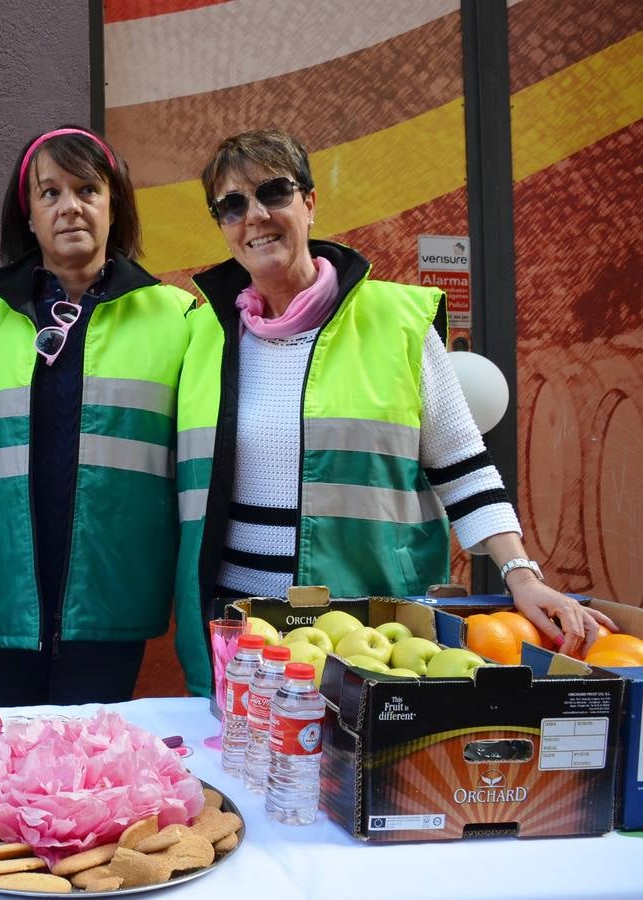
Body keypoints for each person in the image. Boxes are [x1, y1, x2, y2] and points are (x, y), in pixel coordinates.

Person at [175, 128, 615, 680]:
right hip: (238, 635)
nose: (255, 215)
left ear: (309, 203)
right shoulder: (202, 336)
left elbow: (464, 468)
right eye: (232, 205)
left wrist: (521, 576)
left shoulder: (396, 324)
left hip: (369, 634)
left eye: (273, 192)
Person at [0, 126, 203, 704]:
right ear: (29, 214)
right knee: (15, 765)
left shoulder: (179, 318)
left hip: (112, 593)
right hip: (6, 592)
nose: (70, 207)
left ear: (115, 205)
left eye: (88, 189)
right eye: (50, 193)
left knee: (91, 777)